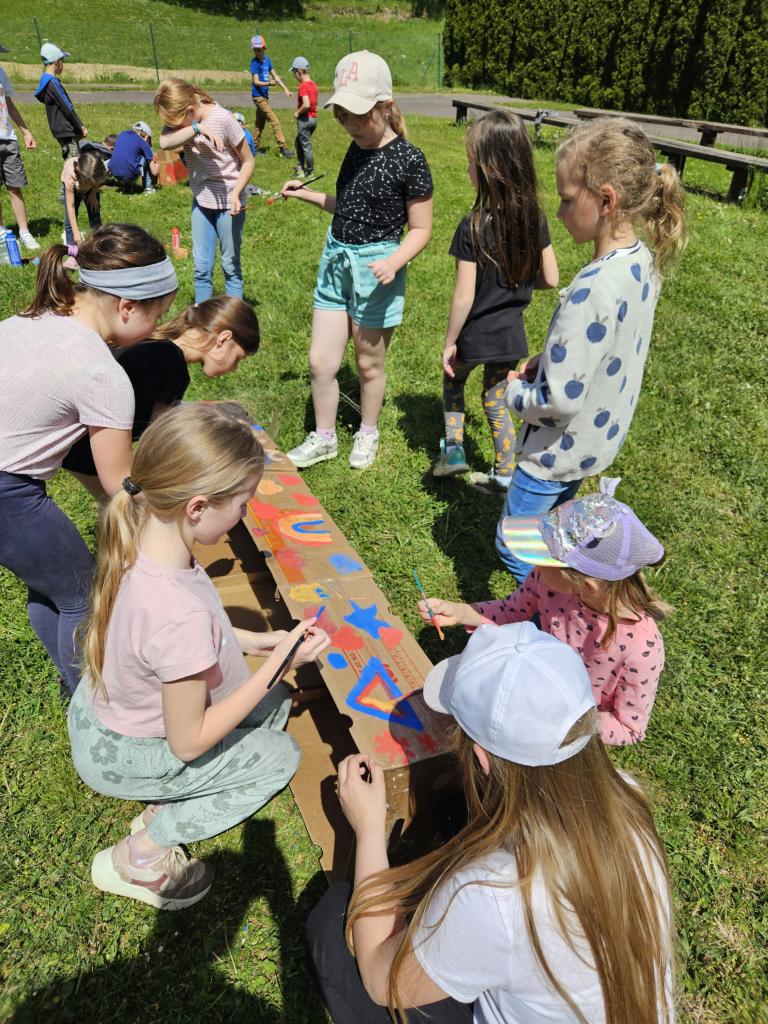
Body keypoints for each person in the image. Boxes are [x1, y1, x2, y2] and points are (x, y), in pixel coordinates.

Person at [307, 622, 675, 1023]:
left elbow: (382, 981)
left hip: (491, 935)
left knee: (333, 921)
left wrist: (369, 828)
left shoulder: (492, 892)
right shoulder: (627, 796)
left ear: (481, 759)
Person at [67, 401, 330, 910]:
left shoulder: (144, 533)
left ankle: (169, 795)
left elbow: (182, 637)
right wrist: (277, 665)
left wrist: (253, 642)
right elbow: (187, 743)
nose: (244, 515)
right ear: (198, 507)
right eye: (242, 504)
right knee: (280, 756)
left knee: (272, 704)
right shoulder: (176, 614)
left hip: (105, 717)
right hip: (129, 750)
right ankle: (141, 856)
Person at [496, 118, 687, 582]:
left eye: (566, 199)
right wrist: (551, 361)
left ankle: (547, 616)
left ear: (606, 200)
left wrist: (514, 394)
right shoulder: (642, 262)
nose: (558, 212)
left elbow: (559, 402)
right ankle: (561, 607)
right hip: (593, 444)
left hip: (553, 453)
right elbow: (605, 346)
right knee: (556, 538)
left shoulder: (593, 290)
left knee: (518, 548)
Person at [0, 224, 178, 694]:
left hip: (8, 482)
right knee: (83, 592)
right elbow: (120, 484)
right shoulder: (102, 372)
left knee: (53, 584)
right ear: (127, 306)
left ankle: (71, 681)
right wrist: (172, 517)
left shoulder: (30, 319)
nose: (158, 330)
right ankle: (92, 702)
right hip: (6, 492)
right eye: (158, 316)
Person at [418, 478, 671, 745]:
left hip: (565, 735)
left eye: (542, 559)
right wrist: (462, 613)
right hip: (530, 691)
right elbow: (511, 610)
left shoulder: (642, 649)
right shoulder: (550, 583)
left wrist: (562, 724)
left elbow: (629, 728)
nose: (535, 566)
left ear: (586, 585)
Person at [283, 51, 433, 471]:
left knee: (368, 363)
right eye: (343, 116)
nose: (351, 125)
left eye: (360, 116)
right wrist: (306, 194)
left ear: (386, 106)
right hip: (336, 262)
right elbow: (348, 207)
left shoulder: (409, 159)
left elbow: (422, 228)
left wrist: (394, 262)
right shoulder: (355, 149)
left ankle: (367, 431)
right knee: (320, 361)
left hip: (376, 270)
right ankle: (324, 437)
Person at [434, 110, 558, 494]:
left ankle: (454, 451)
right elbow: (551, 278)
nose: (468, 169)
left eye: (472, 163)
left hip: (474, 334)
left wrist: (450, 341)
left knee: (453, 380)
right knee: (495, 398)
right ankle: (505, 472)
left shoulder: (473, 225)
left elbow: (464, 295)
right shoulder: (534, 219)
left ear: (490, 170)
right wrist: (519, 282)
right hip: (510, 335)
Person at [62, 295, 260, 494]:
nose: (234, 369)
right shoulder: (171, 363)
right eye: (238, 358)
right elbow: (161, 438)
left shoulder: (154, 343)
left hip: (76, 438)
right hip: (92, 450)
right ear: (223, 339)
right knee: (131, 509)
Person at [154, 78, 255, 303]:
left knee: (230, 265)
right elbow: (164, 143)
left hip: (229, 204)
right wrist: (196, 128)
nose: (175, 127)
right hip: (201, 201)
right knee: (201, 268)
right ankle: (202, 316)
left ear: (190, 110)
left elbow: (248, 161)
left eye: (177, 123)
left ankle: (234, 316)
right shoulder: (188, 123)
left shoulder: (223, 119)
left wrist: (236, 192)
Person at [0, 43, 40, 250]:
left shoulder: (1, 73)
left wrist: (25, 131)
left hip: (8, 138)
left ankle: (24, 232)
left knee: (15, 186)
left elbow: (8, 104)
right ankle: (1, 231)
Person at [34, 42, 87, 159]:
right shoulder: (52, 82)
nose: (63, 64)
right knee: (74, 163)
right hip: (66, 129)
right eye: (62, 60)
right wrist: (79, 125)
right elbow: (66, 106)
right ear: (57, 61)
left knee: (70, 161)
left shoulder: (45, 80)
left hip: (60, 130)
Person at [249, 34, 294, 159]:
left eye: (259, 49)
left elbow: (276, 76)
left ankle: (252, 149)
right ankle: (282, 148)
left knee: (259, 124)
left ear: (264, 48)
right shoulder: (254, 63)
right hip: (258, 97)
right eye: (255, 49)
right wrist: (269, 83)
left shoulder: (267, 60)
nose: (257, 52)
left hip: (265, 97)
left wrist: (286, 89)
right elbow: (256, 82)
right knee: (275, 121)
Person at [61, 150, 108, 245]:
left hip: (91, 188)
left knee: (95, 214)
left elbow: (98, 181)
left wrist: (93, 193)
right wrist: (76, 234)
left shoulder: (98, 168)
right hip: (74, 187)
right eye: (90, 183)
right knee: (70, 223)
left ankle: (98, 244)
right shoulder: (70, 176)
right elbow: (70, 207)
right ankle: (72, 249)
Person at [108, 121, 159, 194]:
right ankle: (148, 188)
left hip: (115, 173)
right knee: (146, 156)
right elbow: (154, 172)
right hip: (130, 175)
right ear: (145, 135)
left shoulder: (122, 134)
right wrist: (157, 167)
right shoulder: (143, 142)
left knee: (129, 155)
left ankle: (126, 187)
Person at [290, 56, 318, 178]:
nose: (294, 76)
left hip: (305, 120)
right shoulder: (314, 85)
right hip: (313, 119)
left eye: (294, 73)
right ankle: (300, 166)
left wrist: (297, 112)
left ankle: (310, 171)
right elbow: (314, 102)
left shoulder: (303, 86)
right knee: (299, 142)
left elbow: (306, 104)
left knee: (305, 145)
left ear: (299, 72)